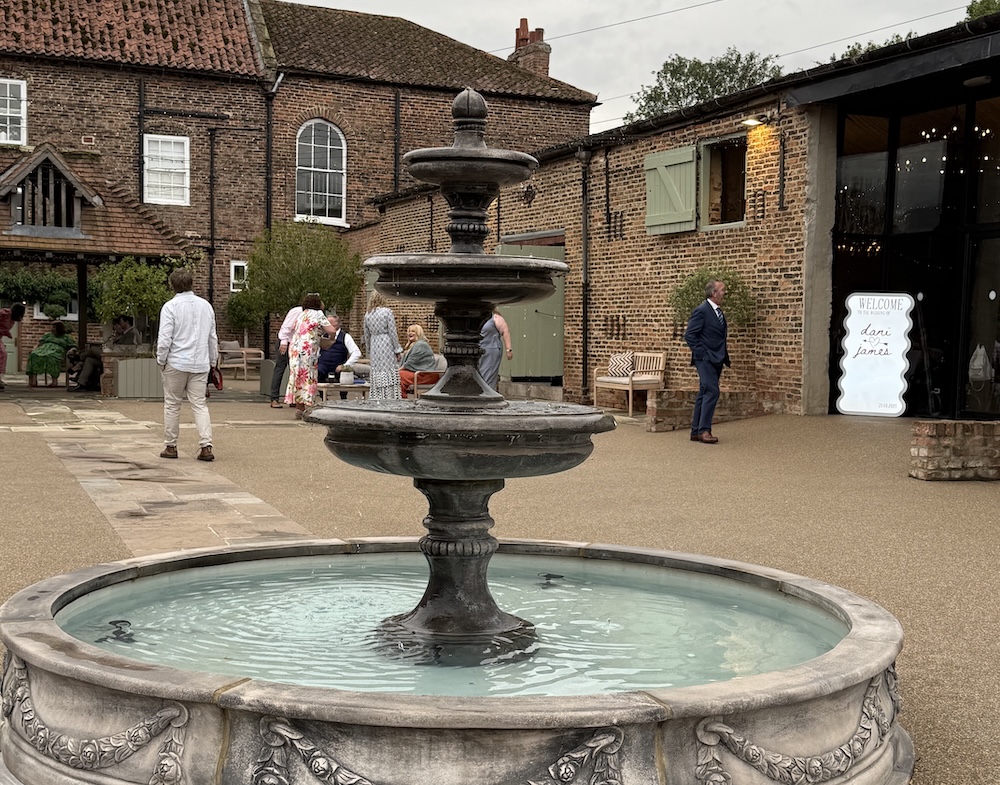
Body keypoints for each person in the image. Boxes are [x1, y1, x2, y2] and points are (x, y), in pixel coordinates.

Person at [156, 268, 219, 461]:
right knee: (200, 405)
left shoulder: (170, 307)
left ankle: (171, 446)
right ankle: (206, 446)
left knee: (172, 404)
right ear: (192, 283)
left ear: (172, 285)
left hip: (176, 362)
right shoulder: (206, 306)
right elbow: (212, 337)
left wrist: (161, 360)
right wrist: (213, 361)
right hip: (200, 362)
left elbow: (165, 338)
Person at [684, 279, 730, 444]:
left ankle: (696, 431)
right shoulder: (701, 311)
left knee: (704, 392)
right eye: (722, 290)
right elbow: (689, 335)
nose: (725, 293)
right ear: (714, 293)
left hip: (717, 358)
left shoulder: (718, 312)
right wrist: (703, 355)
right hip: (705, 359)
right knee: (712, 392)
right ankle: (705, 431)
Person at [284, 293, 338, 417]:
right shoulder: (318, 314)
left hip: (295, 349)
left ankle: (299, 407)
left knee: (297, 376)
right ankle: (309, 406)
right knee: (309, 376)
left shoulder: (301, 314)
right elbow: (331, 330)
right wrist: (331, 339)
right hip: (307, 349)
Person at [363, 290, 402, 400]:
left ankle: (377, 396)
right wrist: (397, 349)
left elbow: (366, 335)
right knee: (388, 369)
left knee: (377, 370)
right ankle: (390, 396)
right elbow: (393, 332)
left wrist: (369, 349)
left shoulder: (368, 315)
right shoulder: (387, 312)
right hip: (386, 342)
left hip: (374, 343)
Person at [269, 302, 303, 409]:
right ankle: (274, 398)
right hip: (286, 342)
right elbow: (286, 327)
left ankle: (293, 399)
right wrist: (284, 342)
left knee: (295, 371)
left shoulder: (309, 314)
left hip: (296, 345)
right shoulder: (297, 311)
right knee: (280, 368)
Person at [26, 320, 76, 387]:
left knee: (51, 357)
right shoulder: (48, 335)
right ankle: (34, 380)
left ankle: (54, 381)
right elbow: (40, 343)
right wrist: (35, 349)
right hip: (43, 349)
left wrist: (72, 349)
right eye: (52, 327)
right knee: (34, 355)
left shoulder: (66, 337)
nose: (52, 329)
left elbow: (73, 346)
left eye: (54, 327)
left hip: (56, 350)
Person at [317, 314, 361, 385]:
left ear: (337, 324)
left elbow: (356, 353)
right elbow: (316, 352)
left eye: (330, 324)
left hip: (338, 367)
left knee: (345, 375)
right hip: (322, 367)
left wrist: (345, 366)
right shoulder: (323, 337)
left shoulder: (346, 337)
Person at [399, 324, 441, 397]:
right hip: (417, 373)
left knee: (398, 375)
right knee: (396, 375)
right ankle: (400, 396)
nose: (410, 333)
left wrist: (398, 370)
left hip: (426, 375)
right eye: (409, 331)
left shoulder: (421, 344)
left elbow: (411, 362)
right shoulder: (412, 345)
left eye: (413, 331)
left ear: (418, 333)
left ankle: (402, 398)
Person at [478, 309, 512, 390]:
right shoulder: (477, 317)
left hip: (491, 350)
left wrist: (508, 349)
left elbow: (505, 331)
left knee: (488, 374)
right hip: (478, 350)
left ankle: (488, 392)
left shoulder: (495, 317)